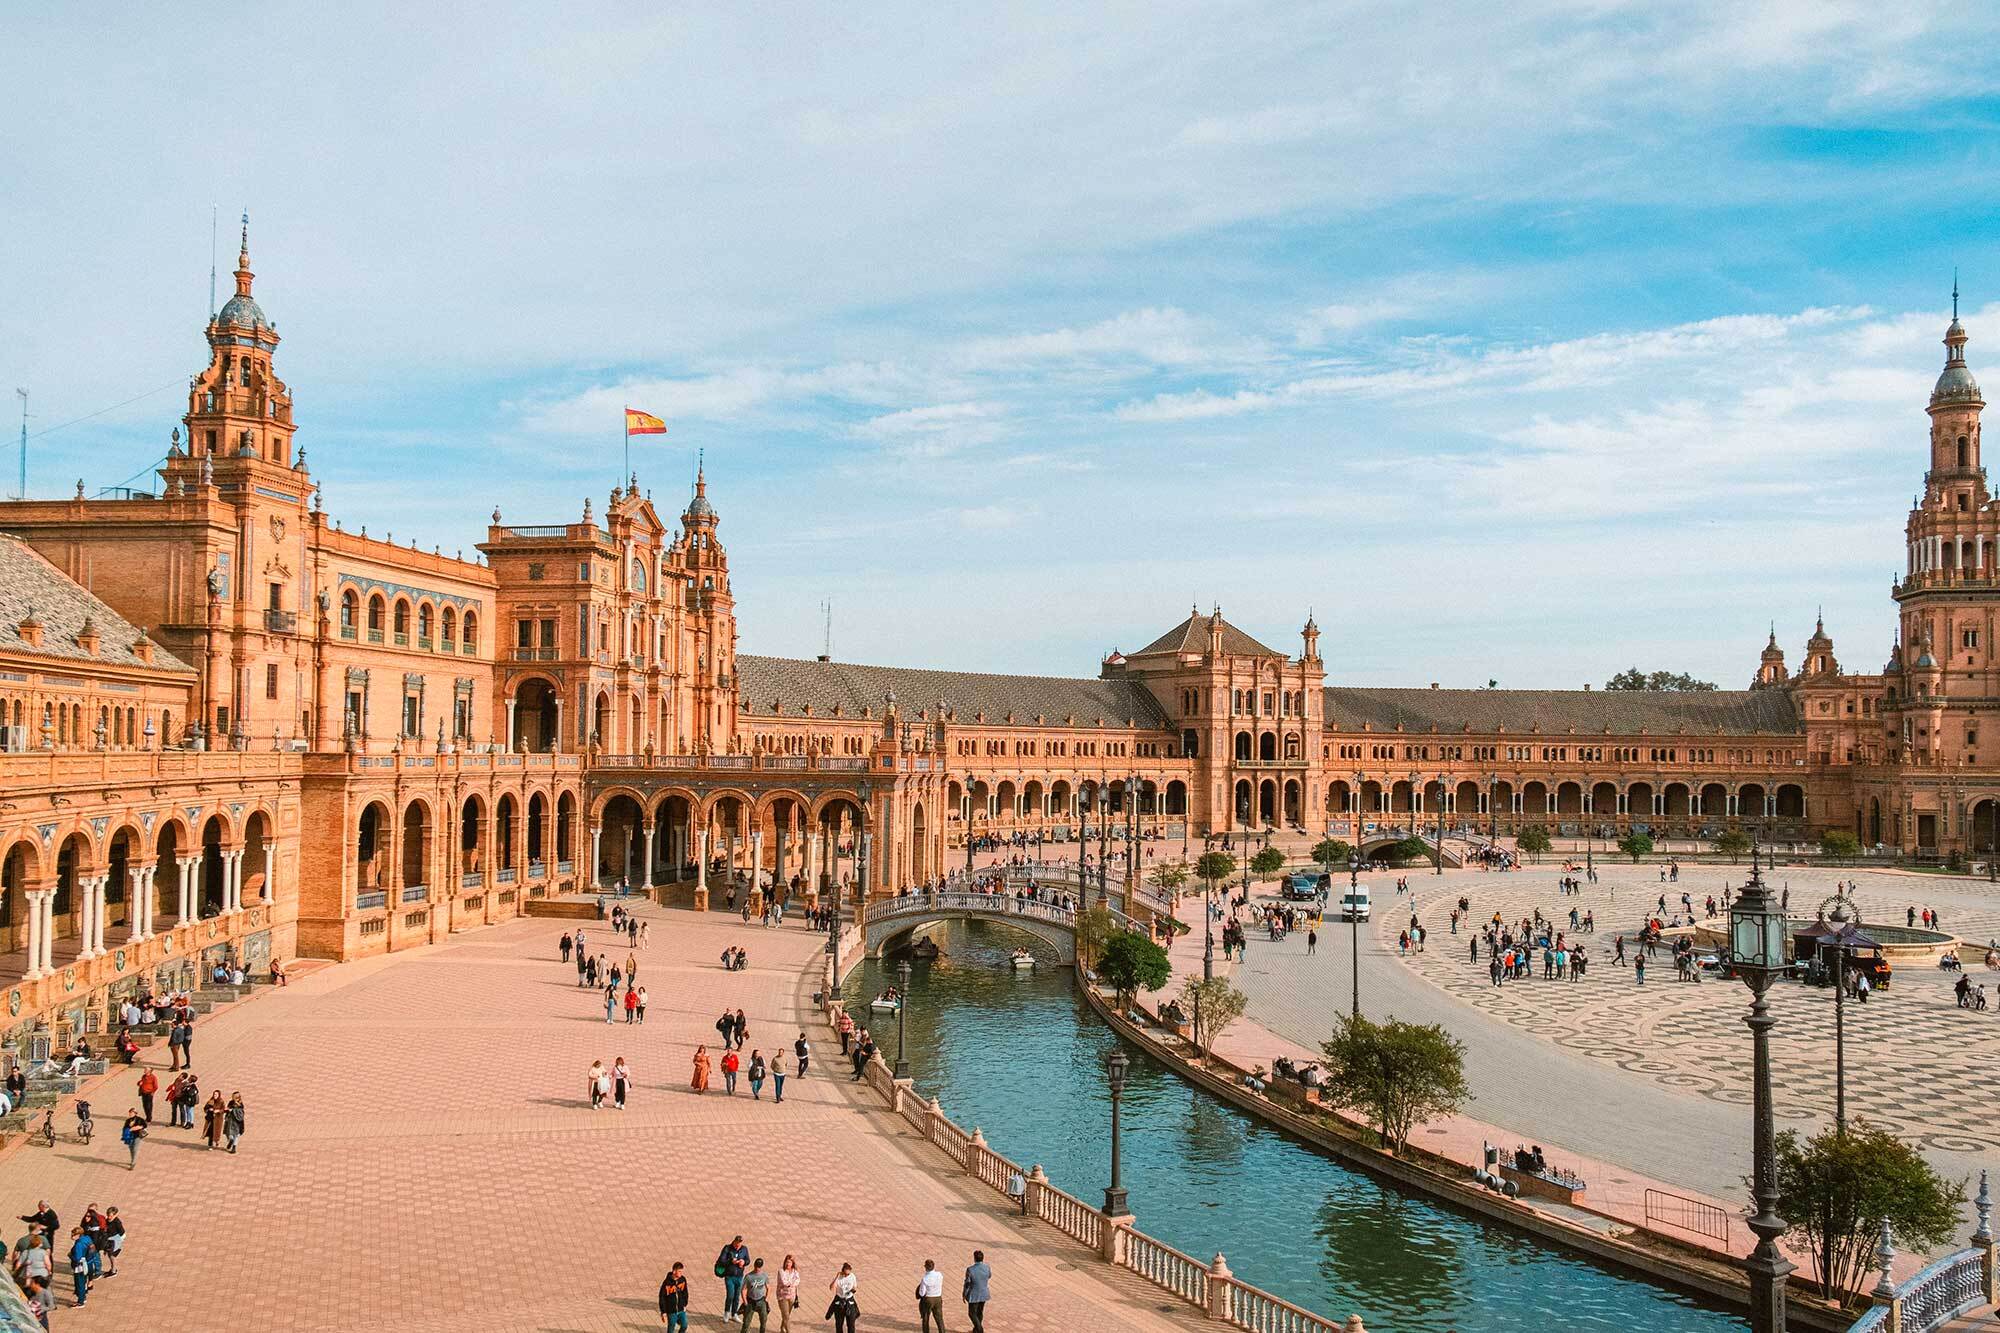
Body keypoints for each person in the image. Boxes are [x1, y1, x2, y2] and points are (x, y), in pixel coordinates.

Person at [717, 1235, 750, 1318]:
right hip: (729, 1276)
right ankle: (727, 1312)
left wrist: (744, 1262)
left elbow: (748, 1260)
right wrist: (731, 1261)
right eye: (737, 1242)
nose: (738, 1245)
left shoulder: (744, 1249)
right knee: (730, 1295)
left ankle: (734, 1313)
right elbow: (721, 1260)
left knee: (737, 1296)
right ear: (734, 1241)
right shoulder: (727, 1248)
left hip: (739, 1276)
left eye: (740, 1243)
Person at [740, 1256, 772, 1332]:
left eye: (759, 1267)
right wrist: (745, 1302)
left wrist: (766, 1300)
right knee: (746, 1323)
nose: (758, 1268)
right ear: (754, 1265)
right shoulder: (749, 1276)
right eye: (757, 1266)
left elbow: (769, 1288)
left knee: (763, 1321)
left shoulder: (764, 1276)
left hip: (761, 1301)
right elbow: (743, 1290)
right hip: (750, 1302)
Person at [962, 1250, 991, 1333]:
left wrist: (964, 1294)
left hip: (974, 1295)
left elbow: (967, 1283)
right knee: (980, 1312)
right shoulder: (987, 1267)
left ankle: (980, 1329)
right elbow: (989, 1276)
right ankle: (976, 1330)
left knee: (971, 1313)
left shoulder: (970, 1269)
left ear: (974, 1258)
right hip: (984, 1293)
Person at [828, 1263, 860, 1333]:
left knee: (851, 1324)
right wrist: (836, 1277)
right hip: (840, 1301)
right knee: (839, 1324)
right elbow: (831, 1288)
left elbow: (855, 1287)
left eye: (848, 1273)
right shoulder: (839, 1278)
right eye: (845, 1273)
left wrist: (851, 1292)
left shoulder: (852, 1276)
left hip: (849, 1301)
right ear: (843, 1271)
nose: (847, 1275)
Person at [66, 1225, 94, 1308]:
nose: (71, 1237)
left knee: (79, 1282)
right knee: (84, 1281)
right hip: (88, 1263)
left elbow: (77, 1258)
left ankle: (80, 1301)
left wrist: (70, 1255)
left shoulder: (78, 1244)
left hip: (80, 1266)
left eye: (73, 1235)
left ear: (78, 1235)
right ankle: (83, 1297)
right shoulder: (87, 1238)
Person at [916, 1258, 945, 1333]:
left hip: (928, 1299)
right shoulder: (939, 1275)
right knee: (939, 1319)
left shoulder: (925, 1279)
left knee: (925, 1318)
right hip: (938, 1298)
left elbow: (922, 1293)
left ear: (926, 1267)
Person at [659, 1261, 690, 1332]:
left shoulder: (682, 1280)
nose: (681, 1273)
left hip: (681, 1309)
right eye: (679, 1271)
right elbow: (662, 1297)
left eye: (681, 1271)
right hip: (671, 1311)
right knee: (671, 1327)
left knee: (684, 1325)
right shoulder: (666, 1283)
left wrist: (685, 1304)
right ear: (674, 1271)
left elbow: (685, 1292)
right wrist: (663, 1312)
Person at [776, 1255, 802, 1332]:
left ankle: (782, 1328)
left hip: (792, 1296)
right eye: (787, 1262)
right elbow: (784, 1282)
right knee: (786, 1316)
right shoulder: (781, 1271)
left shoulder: (795, 1272)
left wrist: (791, 1284)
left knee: (786, 1315)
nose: (788, 1264)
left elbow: (798, 1281)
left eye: (790, 1262)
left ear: (792, 1263)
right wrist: (792, 1283)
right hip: (782, 1296)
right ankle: (788, 1331)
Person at [100, 1208, 124, 1277]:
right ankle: (112, 1269)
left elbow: (122, 1233)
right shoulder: (107, 1221)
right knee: (110, 1255)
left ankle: (113, 1271)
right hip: (109, 1241)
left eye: (111, 1216)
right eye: (108, 1215)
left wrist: (117, 1242)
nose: (109, 1217)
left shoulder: (117, 1223)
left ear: (115, 1215)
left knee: (112, 1256)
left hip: (115, 1242)